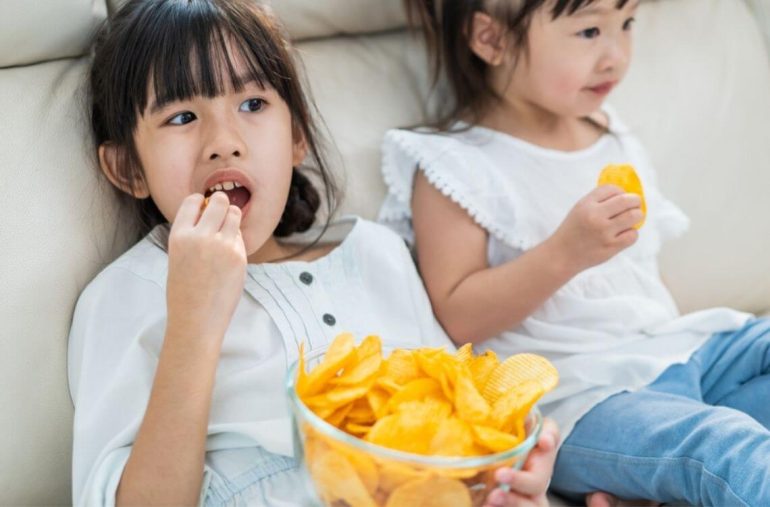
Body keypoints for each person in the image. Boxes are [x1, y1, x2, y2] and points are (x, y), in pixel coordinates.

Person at [67, 1, 560, 505]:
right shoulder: (126, 294)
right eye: (183, 115)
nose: (224, 142)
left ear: (296, 136)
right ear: (128, 167)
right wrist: (194, 320)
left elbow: (448, 431)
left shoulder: (377, 254)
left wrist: (502, 479)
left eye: (253, 104)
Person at [378, 0, 770, 505]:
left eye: (626, 25)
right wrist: (565, 252)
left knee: (727, 421)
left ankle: (660, 480)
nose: (616, 55)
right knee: (722, 444)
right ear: (491, 39)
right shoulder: (453, 166)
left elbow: (641, 274)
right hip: (577, 399)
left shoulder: (610, 134)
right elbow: (455, 316)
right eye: (589, 31)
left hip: (677, 353)